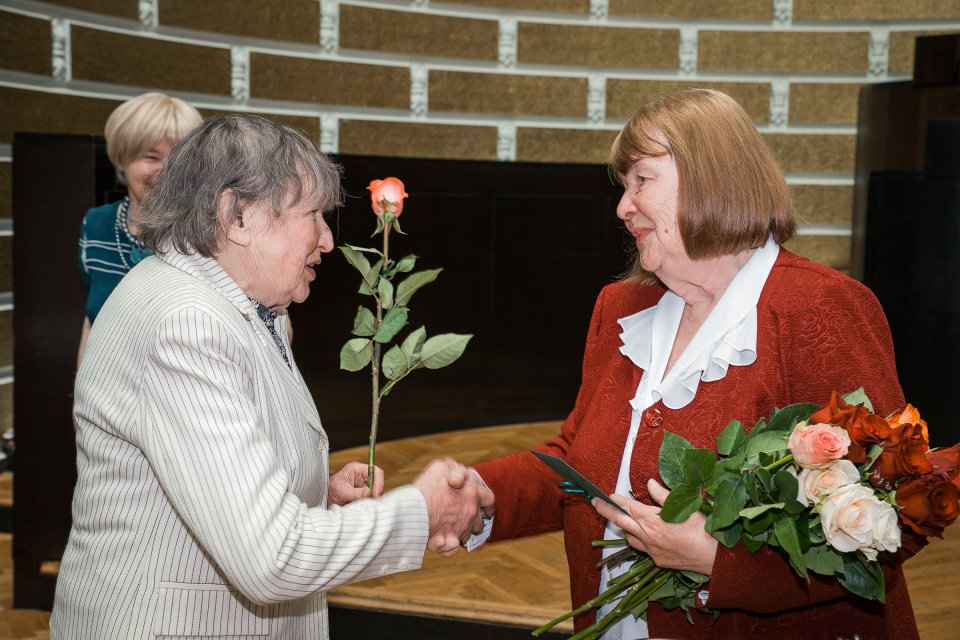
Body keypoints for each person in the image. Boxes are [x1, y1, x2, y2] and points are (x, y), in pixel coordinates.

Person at [471, 89, 925, 639]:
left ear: (713, 175)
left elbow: (892, 510)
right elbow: (582, 458)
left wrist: (720, 561)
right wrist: (480, 493)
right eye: (623, 187)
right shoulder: (622, 308)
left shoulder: (817, 309)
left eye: (641, 180)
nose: (623, 207)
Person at [51, 115, 493, 639]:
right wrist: (422, 510)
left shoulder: (245, 304)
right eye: (314, 216)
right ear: (237, 215)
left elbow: (209, 474)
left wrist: (315, 496)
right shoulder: (186, 322)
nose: (328, 240)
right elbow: (270, 558)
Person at [76, 92, 202, 365]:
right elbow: (91, 321)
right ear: (122, 160)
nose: (167, 170)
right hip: (108, 397)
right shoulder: (98, 225)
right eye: (151, 156)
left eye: (179, 158)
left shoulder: (206, 232)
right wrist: (80, 401)